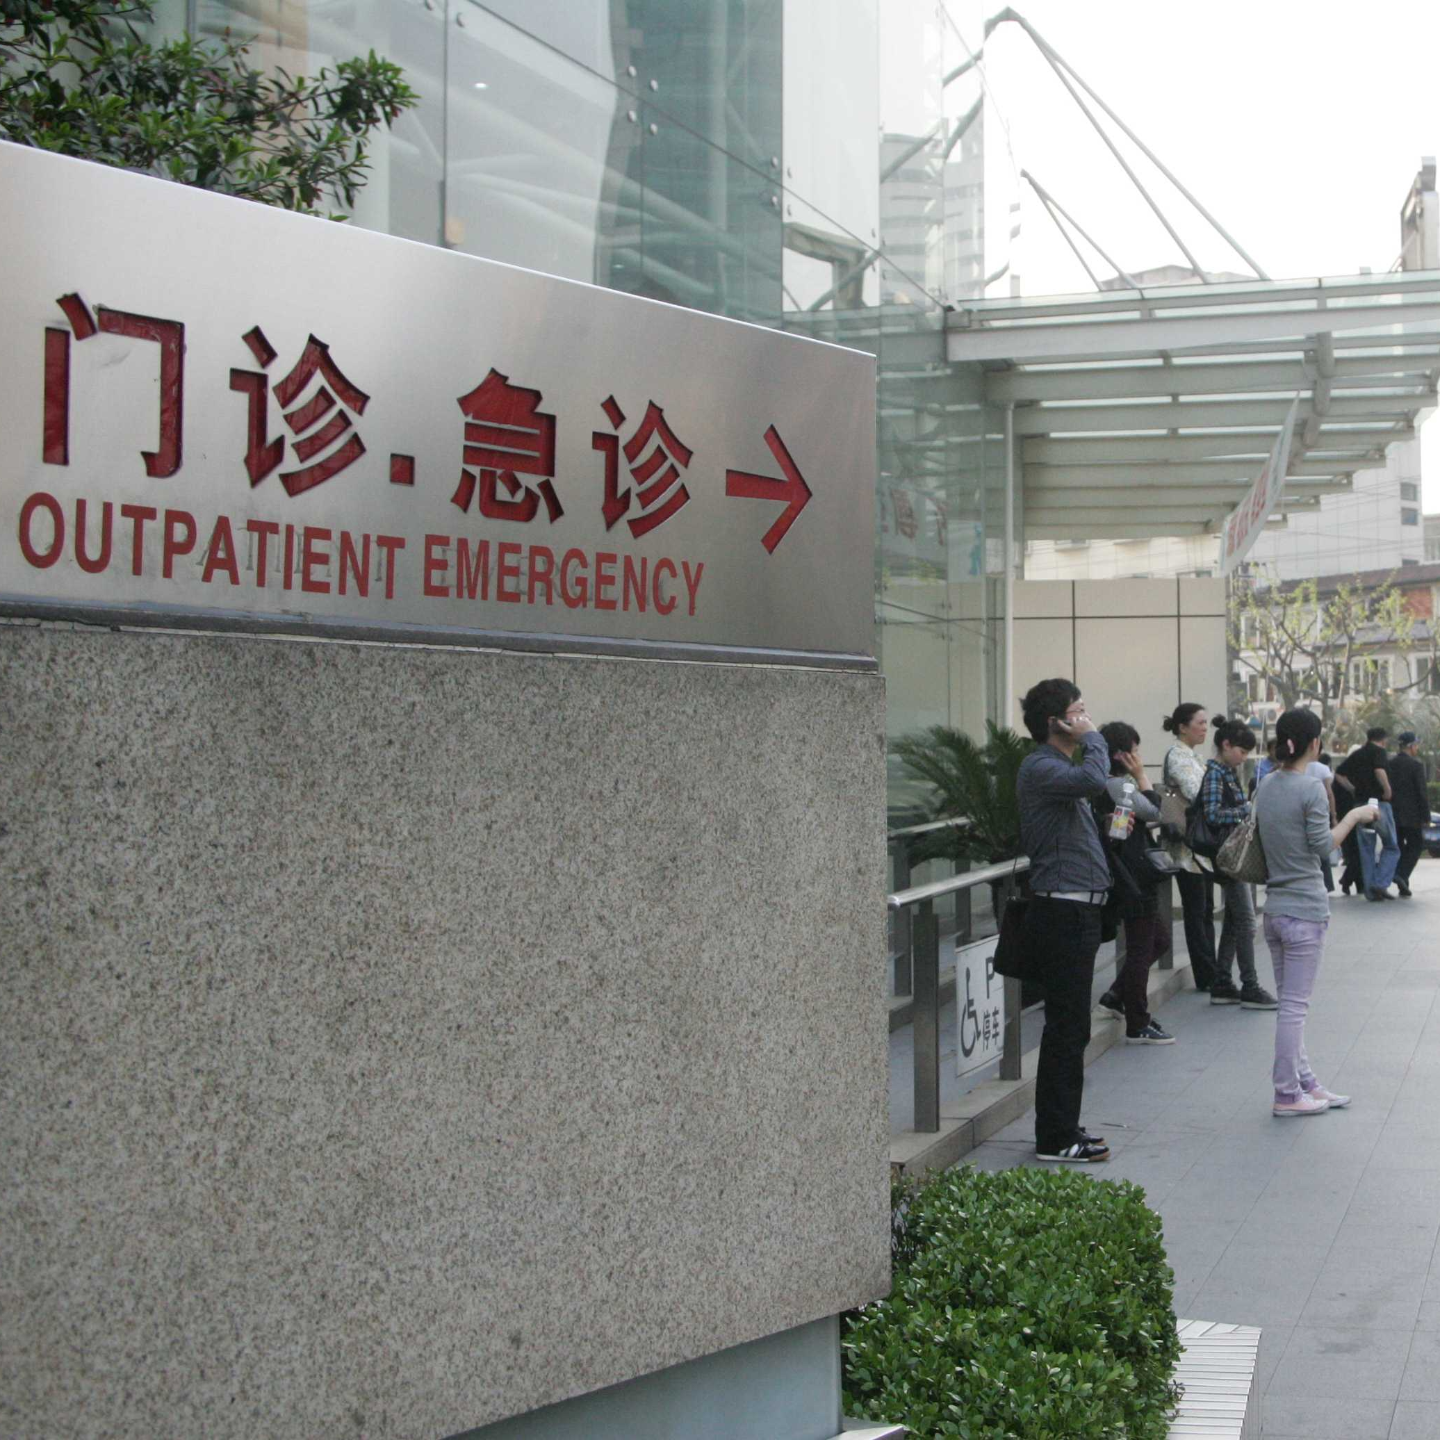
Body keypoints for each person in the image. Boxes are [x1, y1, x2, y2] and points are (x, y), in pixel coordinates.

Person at [1256, 708, 1378, 1116]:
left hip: (1275, 910)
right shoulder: (1309, 788)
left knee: (1290, 1005)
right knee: (1295, 1008)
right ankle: (1287, 1094)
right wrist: (1355, 815)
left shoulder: (1266, 785)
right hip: (1304, 910)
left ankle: (1305, 1082)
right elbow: (1323, 846)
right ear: (1315, 743)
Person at [1016, 678, 1112, 1163]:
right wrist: (1094, 738)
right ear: (1056, 721)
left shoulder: (1058, 769)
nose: (1087, 718)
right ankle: (1055, 1137)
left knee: (1073, 1026)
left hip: (1078, 908)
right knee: (1066, 1027)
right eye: (1079, 711)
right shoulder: (1041, 767)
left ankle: (1064, 1126)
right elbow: (1094, 779)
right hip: (1062, 910)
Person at [1095, 722, 1176, 1045]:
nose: (1139, 756)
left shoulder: (1108, 785)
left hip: (1129, 874)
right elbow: (1155, 810)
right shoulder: (1118, 786)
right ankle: (1137, 1022)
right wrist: (1142, 776)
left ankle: (1115, 996)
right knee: (1143, 947)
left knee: (1159, 940)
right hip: (1133, 876)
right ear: (1121, 755)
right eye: (1135, 751)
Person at [1200, 718, 1278, 1009]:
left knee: (1234, 921)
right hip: (1228, 857)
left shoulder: (1227, 773)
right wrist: (1245, 810)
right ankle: (1250, 986)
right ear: (1226, 745)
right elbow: (1212, 814)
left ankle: (1222, 982)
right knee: (1246, 921)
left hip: (1229, 855)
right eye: (1242, 751)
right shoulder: (1215, 774)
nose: (1244, 757)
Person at [1161, 703, 1218, 992]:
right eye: (1200, 722)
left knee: (1204, 908)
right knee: (1197, 910)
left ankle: (1211, 971)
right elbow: (1197, 793)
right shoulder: (1178, 756)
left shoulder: (1193, 756)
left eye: (1206, 723)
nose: (1205, 728)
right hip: (1186, 847)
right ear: (1183, 727)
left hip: (1198, 847)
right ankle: (1206, 974)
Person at [1336, 726, 1401, 900]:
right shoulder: (1379, 752)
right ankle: (1380, 884)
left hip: (1360, 805)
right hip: (1379, 804)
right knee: (1391, 846)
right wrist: (1387, 790)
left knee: (1366, 849)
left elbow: (1339, 774)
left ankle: (1370, 892)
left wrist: (1353, 789)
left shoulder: (1358, 754)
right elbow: (1379, 770)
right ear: (1383, 739)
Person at [1388, 732, 1429, 897]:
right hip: (1412, 815)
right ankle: (1401, 874)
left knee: (1399, 847)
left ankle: (1403, 882)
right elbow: (1421, 793)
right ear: (1411, 746)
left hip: (1393, 813)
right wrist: (1426, 816)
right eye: (1416, 745)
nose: (1417, 748)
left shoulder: (1389, 764)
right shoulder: (1416, 765)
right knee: (1416, 845)